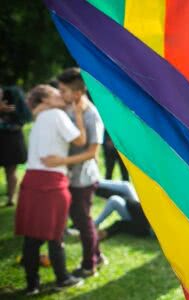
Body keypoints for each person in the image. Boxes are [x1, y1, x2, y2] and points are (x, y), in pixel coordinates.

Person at [15, 85, 86, 295]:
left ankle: (32, 285)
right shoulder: (56, 114)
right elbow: (80, 140)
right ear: (45, 100)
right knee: (55, 234)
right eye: (55, 93)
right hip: (52, 182)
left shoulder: (38, 120)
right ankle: (62, 278)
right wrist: (79, 114)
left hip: (31, 179)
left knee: (32, 236)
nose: (60, 95)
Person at [41, 68, 105, 278]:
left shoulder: (92, 115)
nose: (60, 94)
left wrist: (61, 161)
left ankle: (89, 265)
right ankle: (97, 255)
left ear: (77, 93)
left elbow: (92, 152)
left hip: (84, 179)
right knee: (80, 220)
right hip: (68, 176)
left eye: (64, 90)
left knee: (82, 222)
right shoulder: (69, 108)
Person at [0, 85, 31, 206]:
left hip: (11, 142)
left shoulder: (16, 103)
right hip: (10, 140)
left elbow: (23, 121)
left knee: (10, 171)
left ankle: (11, 198)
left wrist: (13, 112)